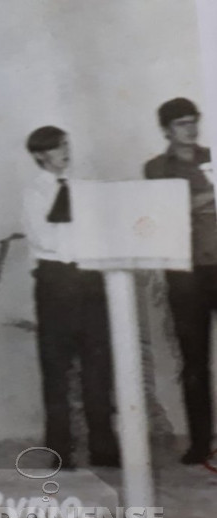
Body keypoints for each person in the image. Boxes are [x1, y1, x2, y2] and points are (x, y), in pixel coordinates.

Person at [23, 126, 120, 469]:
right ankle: (59, 450)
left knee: (98, 367)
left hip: (88, 280)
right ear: (39, 156)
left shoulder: (86, 186)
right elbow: (50, 240)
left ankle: (104, 447)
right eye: (54, 147)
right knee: (56, 370)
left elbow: (99, 230)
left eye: (65, 144)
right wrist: (79, 234)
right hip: (55, 284)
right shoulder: (34, 193)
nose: (65, 151)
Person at [144, 98, 216, 464]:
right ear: (166, 130)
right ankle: (201, 443)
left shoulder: (213, 155)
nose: (191, 129)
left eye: (194, 121)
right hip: (186, 274)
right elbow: (167, 211)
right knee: (194, 361)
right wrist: (208, 196)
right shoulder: (156, 168)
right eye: (181, 123)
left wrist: (196, 201)